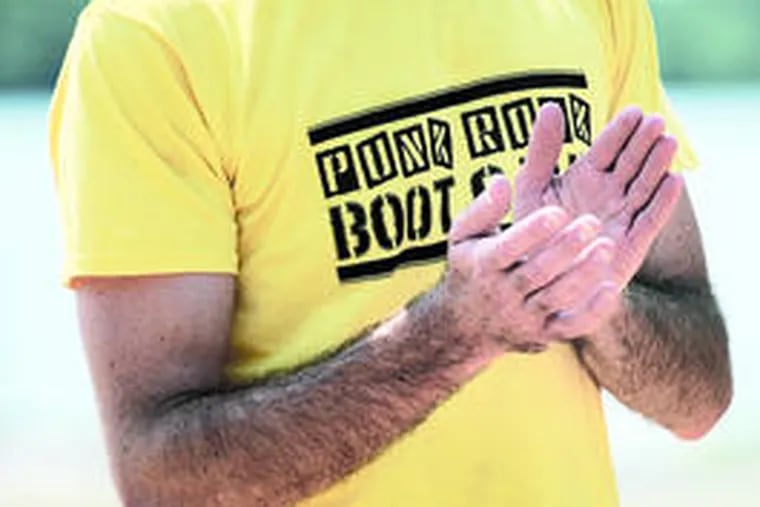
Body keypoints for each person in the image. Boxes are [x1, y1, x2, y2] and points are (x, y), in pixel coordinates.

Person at [49, 0, 732, 505]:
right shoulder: (151, 37)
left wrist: (587, 301)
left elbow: (701, 401)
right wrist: (457, 333)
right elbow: (160, 479)